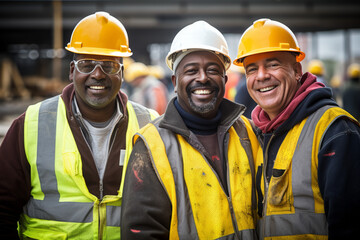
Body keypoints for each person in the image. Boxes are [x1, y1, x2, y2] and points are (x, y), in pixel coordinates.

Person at [0, 12, 159, 239]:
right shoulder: (32, 123)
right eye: (87, 64)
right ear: (72, 71)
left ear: (122, 74)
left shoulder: (149, 125)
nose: (97, 74)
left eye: (109, 66)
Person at [121, 20, 259, 239]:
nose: (202, 77)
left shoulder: (248, 133)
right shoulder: (151, 146)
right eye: (191, 70)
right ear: (175, 81)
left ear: (224, 79)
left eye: (212, 70)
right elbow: (142, 230)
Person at [233, 18, 360, 239]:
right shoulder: (257, 134)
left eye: (273, 64)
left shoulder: (335, 130)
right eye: (252, 69)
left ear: (296, 70)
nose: (261, 76)